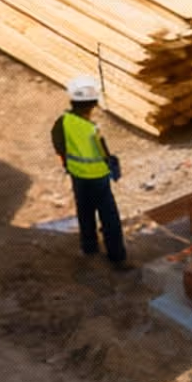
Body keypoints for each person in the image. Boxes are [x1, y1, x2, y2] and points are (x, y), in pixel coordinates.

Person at [53, 76, 126, 268]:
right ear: (93, 104)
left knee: (84, 212)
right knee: (109, 217)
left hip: (78, 176)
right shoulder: (92, 129)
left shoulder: (63, 122)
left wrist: (68, 165)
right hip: (98, 179)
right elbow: (104, 155)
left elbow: (59, 146)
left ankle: (89, 247)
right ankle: (116, 256)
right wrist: (113, 165)